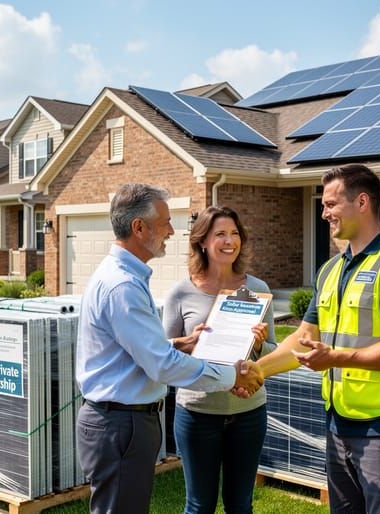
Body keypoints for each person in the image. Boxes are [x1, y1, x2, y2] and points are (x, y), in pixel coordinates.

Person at [256, 163, 380, 513]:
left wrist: (335, 358)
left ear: (363, 202)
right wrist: (256, 370)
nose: (324, 214)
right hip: (339, 426)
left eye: (331, 204)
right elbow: (305, 338)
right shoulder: (331, 269)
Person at [74, 183, 263, 514]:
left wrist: (181, 344)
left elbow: (141, 350)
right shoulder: (124, 286)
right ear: (139, 227)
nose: (171, 231)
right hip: (121, 424)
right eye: (164, 223)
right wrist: (230, 376)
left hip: (122, 422)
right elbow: (161, 365)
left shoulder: (123, 278)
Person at [162, 205, 276, 514]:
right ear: (202, 241)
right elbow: (162, 355)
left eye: (235, 233)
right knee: (199, 506)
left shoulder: (257, 289)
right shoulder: (180, 294)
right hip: (198, 412)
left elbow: (273, 354)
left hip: (249, 412)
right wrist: (189, 343)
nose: (230, 241)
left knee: (240, 505)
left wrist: (259, 343)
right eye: (220, 234)